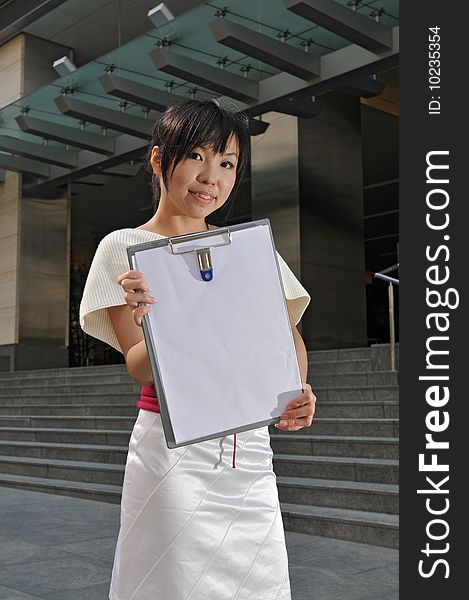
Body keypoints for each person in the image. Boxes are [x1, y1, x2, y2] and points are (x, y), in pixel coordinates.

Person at [80, 99, 316, 600]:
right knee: (171, 580)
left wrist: (298, 390)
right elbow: (139, 367)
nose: (212, 176)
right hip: (172, 449)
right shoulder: (123, 246)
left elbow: (288, 336)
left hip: (248, 449)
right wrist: (155, 319)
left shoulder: (246, 248)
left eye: (227, 163)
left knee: (260, 582)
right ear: (159, 159)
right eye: (197, 157)